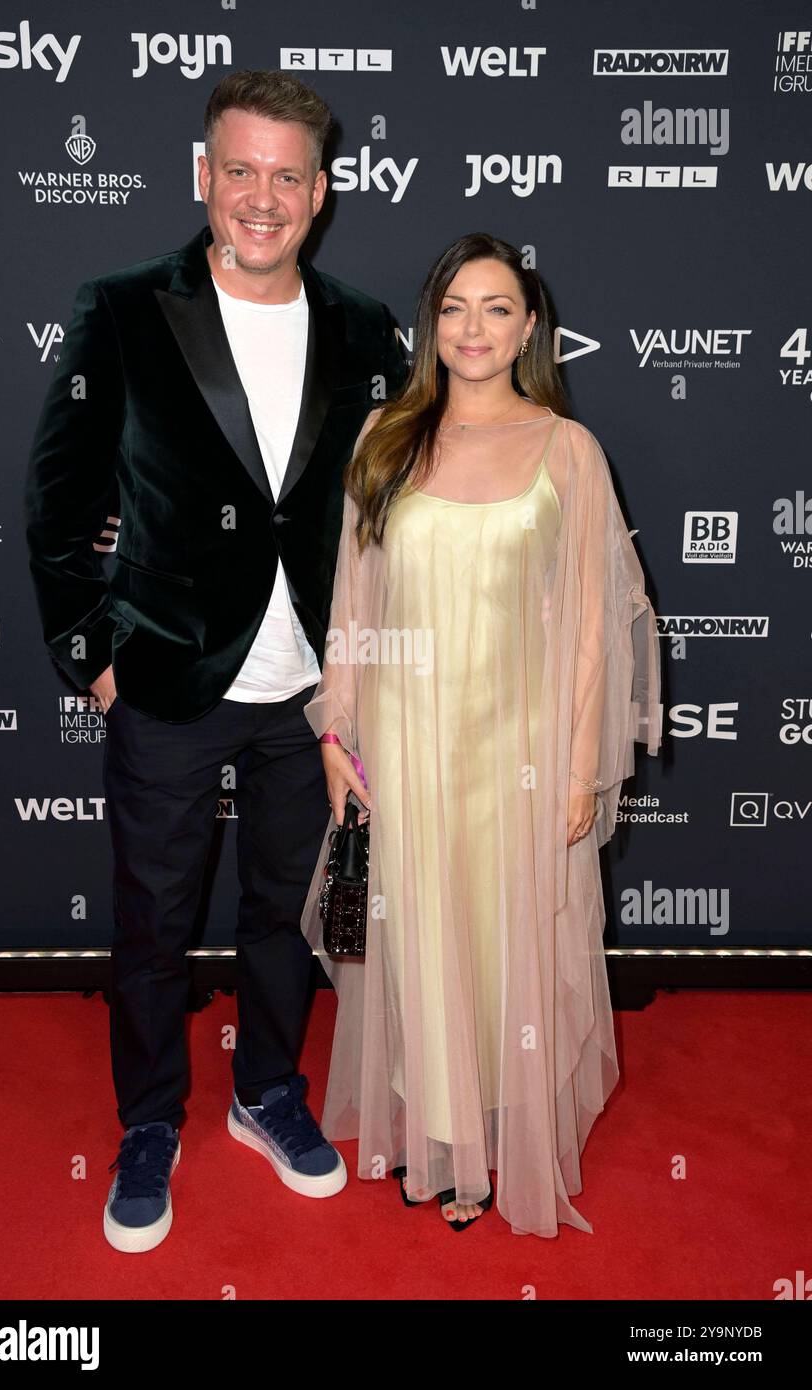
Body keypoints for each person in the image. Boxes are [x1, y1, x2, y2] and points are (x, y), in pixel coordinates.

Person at [24, 69, 407, 1253]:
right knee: (152, 916)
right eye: (238, 169)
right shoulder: (127, 308)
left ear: (321, 191)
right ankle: (148, 1124)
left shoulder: (363, 325)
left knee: (288, 915)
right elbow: (56, 499)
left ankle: (268, 1094)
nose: (261, 195)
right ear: (203, 175)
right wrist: (96, 658)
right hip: (173, 679)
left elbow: (390, 508)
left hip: (313, 689)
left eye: (286, 175)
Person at [299, 232, 662, 1236]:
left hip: (520, 754)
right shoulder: (385, 437)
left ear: (530, 326)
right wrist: (338, 737)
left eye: (496, 307)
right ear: (431, 323)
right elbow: (353, 600)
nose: (473, 327)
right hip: (406, 750)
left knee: (502, 946)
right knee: (414, 941)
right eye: (455, 306)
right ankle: (436, 1145)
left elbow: (593, 625)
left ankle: (498, 1130)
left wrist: (582, 766)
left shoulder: (568, 449)